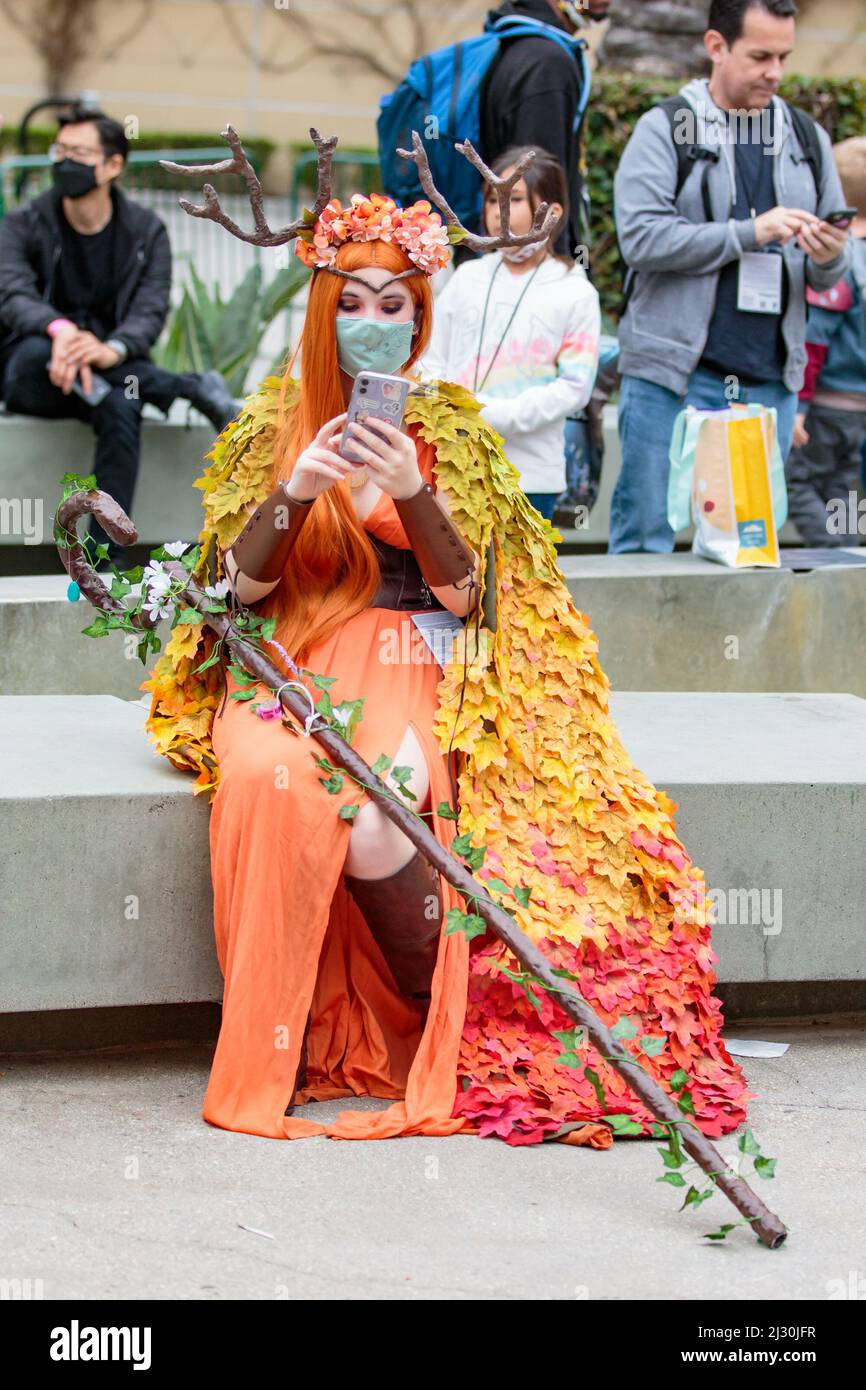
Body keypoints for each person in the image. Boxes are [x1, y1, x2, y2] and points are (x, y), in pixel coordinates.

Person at [140, 130, 752, 1146]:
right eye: (357, 304)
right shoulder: (271, 428)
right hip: (294, 661)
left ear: (419, 320)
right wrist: (297, 490)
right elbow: (226, 595)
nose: (376, 323)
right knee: (272, 782)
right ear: (323, 314)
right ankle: (276, 1044)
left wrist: (413, 489)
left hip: (419, 661)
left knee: (379, 811)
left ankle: (443, 1032)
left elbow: (474, 599)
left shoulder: (453, 430)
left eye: (397, 307)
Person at [610, 0, 852, 554]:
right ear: (716, 46)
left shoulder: (807, 138)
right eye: (760, 56)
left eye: (784, 57)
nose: (776, 72)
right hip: (671, 377)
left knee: (746, 555)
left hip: (768, 383)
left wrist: (829, 253)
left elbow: (831, 271)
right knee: (646, 542)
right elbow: (641, 240)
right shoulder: (666, 127)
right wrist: (750, 232)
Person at [0, 106, 238, 564]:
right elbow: (12, 295)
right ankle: (188, 387)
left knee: (120, 405)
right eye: (60, 150)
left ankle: (101, 561)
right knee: (34, 357)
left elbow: (150, 311)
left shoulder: (144, 232)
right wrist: (62, 331)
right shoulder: (24, 223)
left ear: (113, 165)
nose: (65, 161)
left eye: (79, 152)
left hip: (113, 371)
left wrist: (110, 350)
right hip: (33, 369)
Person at [420, 145, 600, 521]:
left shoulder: (575, 291)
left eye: (514, 198)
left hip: (530, 476)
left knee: (518, 580)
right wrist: (449, 410)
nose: (497, 211)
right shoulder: (468, 277)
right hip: (454, 463)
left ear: (552, 213)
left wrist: (489, 414)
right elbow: (431, 356)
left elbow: (574, 387)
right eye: (490, 200)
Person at [478, 0, 612, 262]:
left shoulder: (518, 44)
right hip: (530, 272)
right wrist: (557, 269)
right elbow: (540, 193)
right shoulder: (547, 64)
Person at [787, 137, 866, 548]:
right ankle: (851, 565)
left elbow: (815, 339)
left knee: (797, 483)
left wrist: (798, 406)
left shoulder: (841, 259)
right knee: (845, 491)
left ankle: (842, 563)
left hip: (825, 405)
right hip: (859, 409)